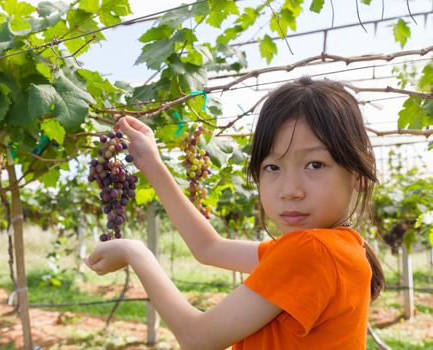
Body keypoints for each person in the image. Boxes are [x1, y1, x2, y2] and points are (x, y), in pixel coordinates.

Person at [84, 77, 385, 350]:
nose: (289, 190)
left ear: (357, 173)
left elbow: (198, 338)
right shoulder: (341, 248)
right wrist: (151, 162)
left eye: (315, 164)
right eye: (272, 167)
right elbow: (209, 248)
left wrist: (135, 252)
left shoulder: (312, 250)